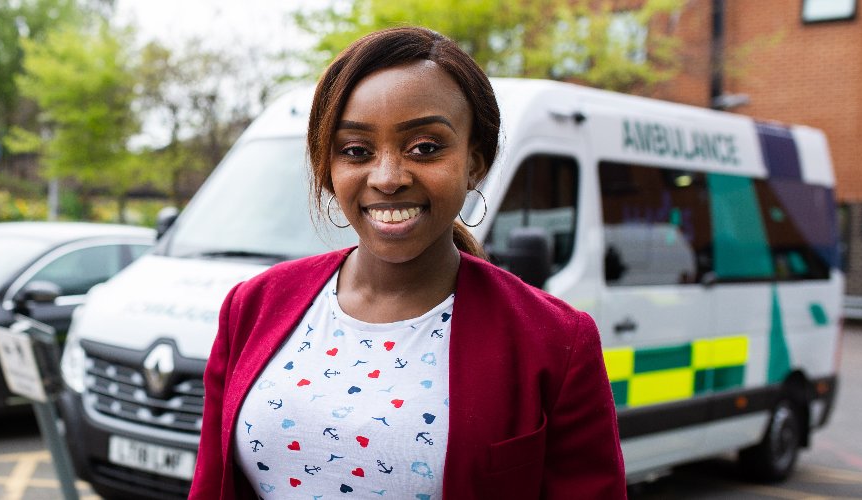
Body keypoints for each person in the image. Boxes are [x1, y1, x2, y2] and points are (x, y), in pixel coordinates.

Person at [189, 27, 625, 499]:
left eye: (425, 147)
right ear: (328, 167)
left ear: (475, 161)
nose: (388, 178)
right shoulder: (253, 307)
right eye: (356, 150)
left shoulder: (556, 341)